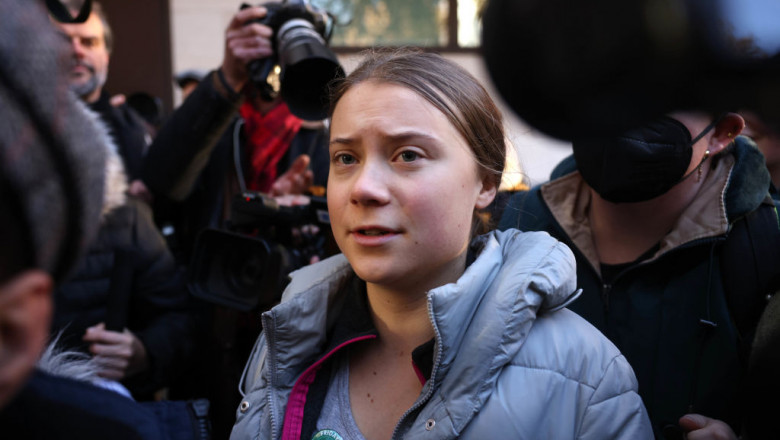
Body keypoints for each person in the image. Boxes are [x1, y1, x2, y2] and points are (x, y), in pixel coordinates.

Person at [229, 48, 652, 440]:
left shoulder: (585, 375)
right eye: (346, 158)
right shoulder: (285, 338)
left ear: (486, 182)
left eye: (408, 155)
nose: (364, 189)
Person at [499, 110, 780, 438]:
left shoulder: (767, 244)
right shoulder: (515, 227)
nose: (626, 111)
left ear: (722, 133)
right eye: (607, 86)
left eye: (665, 98)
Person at [143, 4, 332, 265]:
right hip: (207, 281)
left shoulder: (318, 138)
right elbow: (162, 182)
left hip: (283, 287)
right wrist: (228, 77)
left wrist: (291, 213)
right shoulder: (216, 119)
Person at [52, 0, 152, 202]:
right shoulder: (20, 127)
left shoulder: (134, 132)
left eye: (89, 42)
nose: (77, 51)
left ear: (106, 55)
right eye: (63, 41)